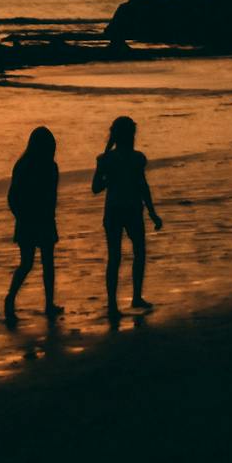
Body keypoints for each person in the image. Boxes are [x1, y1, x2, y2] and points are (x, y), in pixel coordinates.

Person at [93, 114, 162, 317]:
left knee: (115, 257)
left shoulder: (106, 159)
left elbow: (96, 187)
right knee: (138, 253)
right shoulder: (136, 159)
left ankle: (114, 304)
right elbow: (143, 187)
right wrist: (152, 213)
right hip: (131, 210)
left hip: (114, 211)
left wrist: (108, 175)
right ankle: (135, 297)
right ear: (131, 135)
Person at [4, 126, 61, 321]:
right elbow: (51, 197)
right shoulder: (48, 167)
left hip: (31, 220)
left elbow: (12, 198)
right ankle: (47, 304)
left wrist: (20, 216)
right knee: (45, 263)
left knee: (28, 263)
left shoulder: (23, 165)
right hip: (39, 219)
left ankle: (12, 300)